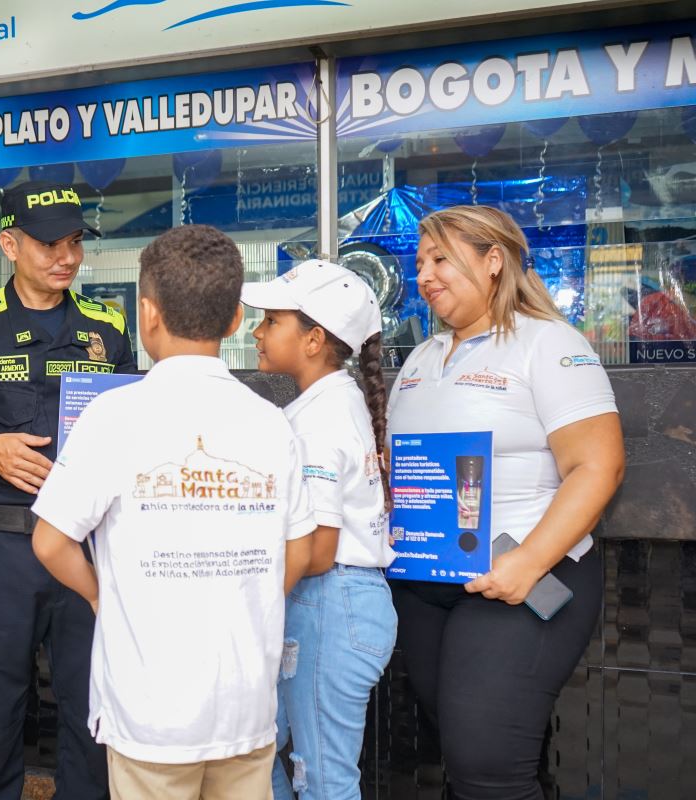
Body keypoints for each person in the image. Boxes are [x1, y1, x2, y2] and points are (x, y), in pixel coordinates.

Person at [31, 224, 317, 800]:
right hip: (244, 708)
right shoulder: (271, 422)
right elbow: (301, 550)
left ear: (147, 314)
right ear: (235, 320)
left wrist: (100, 595)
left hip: (150, 714)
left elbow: (50, 542)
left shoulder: (114, 415)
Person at [388, 205, 624, 800]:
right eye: (420, 263)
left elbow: (598, 466)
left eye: (440, 259)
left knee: (486, 765)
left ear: (493, 261)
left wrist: (529, 562)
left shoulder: (548, 343)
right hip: (428, 581)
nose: (424, 275)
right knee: (465, 750)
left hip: (522, 577)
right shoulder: (420, 358)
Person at [0, 180, 135, 800]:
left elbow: (134, 428)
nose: (66, 257)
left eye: (74, 242)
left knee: (93, 717)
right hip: (3, 552)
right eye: (49, 244)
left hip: (88, 550)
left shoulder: (108, 327)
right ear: (10, 244)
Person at [241, 259, 398, 800]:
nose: (256, 331)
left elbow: (321, 551)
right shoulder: (328, 404)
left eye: (271, 321)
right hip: (328, 605)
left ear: (313, 340)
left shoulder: (322, 419)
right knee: (255, 753)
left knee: (323, 780)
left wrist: (247, 590)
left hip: (331, 605)